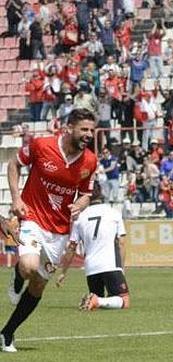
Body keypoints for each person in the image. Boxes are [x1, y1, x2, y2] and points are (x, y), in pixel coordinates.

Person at [2, 108, 98, 353]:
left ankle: (7, 334)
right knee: (28, 267)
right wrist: (16, 198)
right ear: (69, 128)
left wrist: (82, 202)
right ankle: (16, 277)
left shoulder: (89, 161)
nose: (89, 134)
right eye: (84, 129)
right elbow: (14, 164)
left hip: (59, 230)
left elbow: (87, 192)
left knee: (37, 286)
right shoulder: (41, 145)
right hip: (32, 217)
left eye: (91, 130)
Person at [56, 182, 130, 311]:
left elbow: (71, 248)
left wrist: (63, 272)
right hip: (110, 264)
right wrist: (122, 268)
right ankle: (97, 300)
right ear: (101, 193)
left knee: (102, 302)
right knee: (124, 301)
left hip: (90, 268)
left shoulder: (79, 218)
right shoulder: (114, 213)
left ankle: (96, 300)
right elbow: (121, 242)